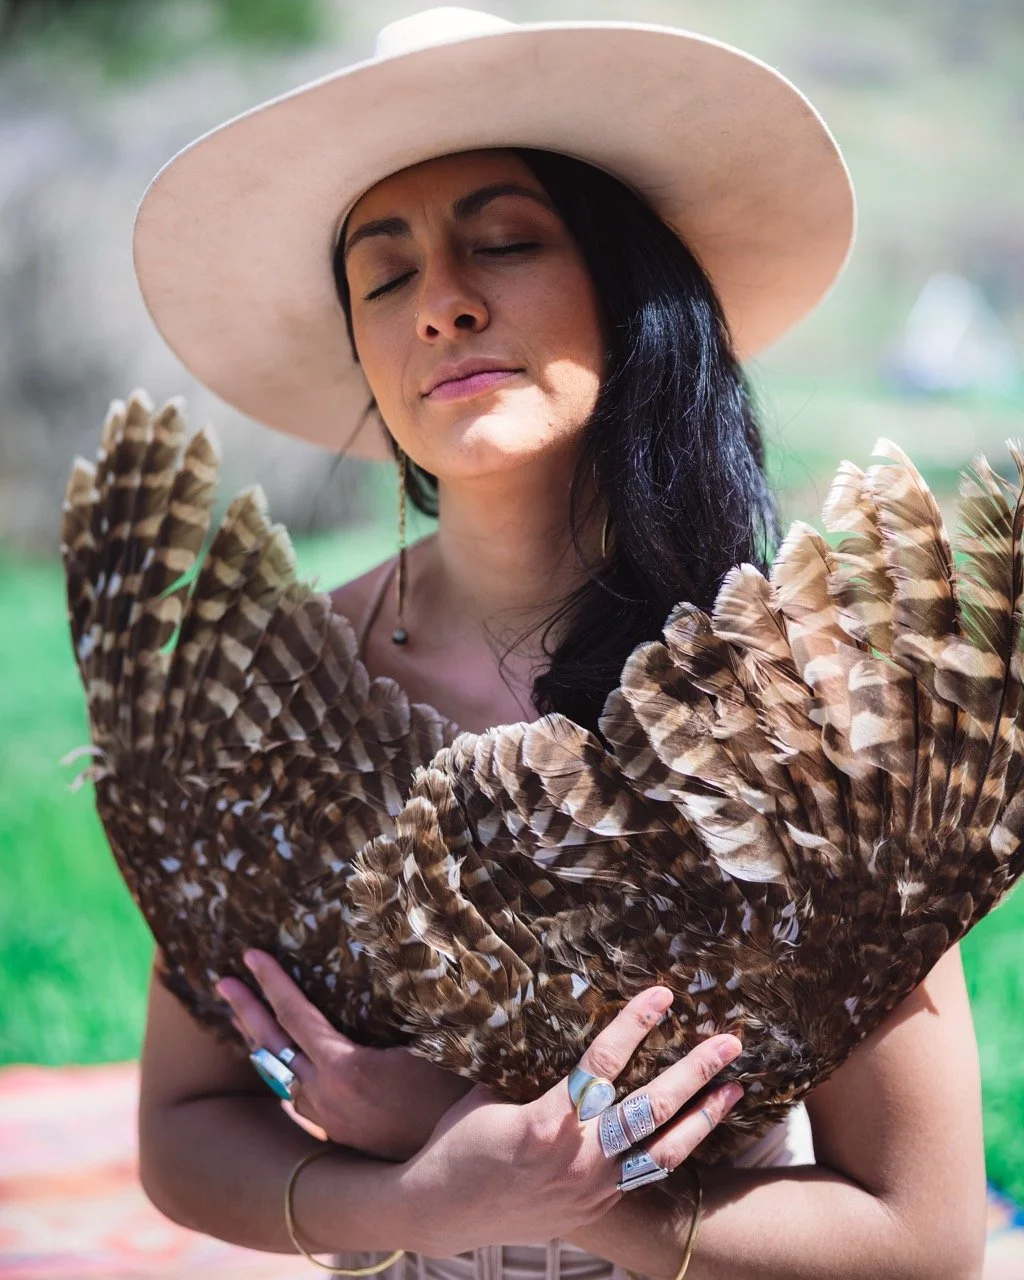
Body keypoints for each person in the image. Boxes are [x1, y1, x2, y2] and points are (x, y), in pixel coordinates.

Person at [130, 10, 988, 1278]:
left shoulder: (798, 699)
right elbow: (182, 1127)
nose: (443, 303)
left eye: (507, 240)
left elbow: (924, 1233)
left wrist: (545, 1179)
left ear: (631, 283)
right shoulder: (282, 697)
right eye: (385, 272)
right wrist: (415, 1198)